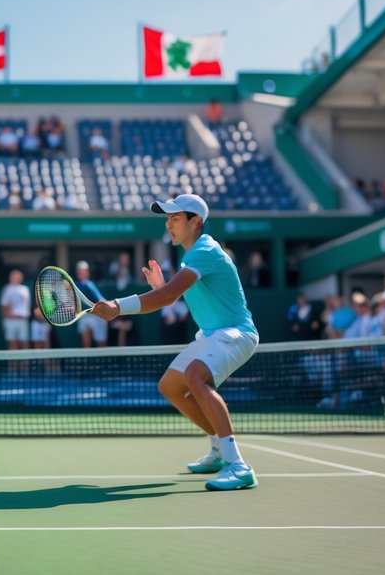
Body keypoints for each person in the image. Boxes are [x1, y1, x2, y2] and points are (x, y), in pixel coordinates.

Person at [92, 194, 260, 491]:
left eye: (176, 218)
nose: (169, 224)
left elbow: (168, 297)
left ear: (196, 222)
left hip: (237, 332)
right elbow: (171, 295)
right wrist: (161, 288)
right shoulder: (191, 256)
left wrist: (118, 305)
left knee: (195, 376)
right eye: (167, 218)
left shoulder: (205, 249)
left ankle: (238, 466)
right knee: (170, 386)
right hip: (211, 334)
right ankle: (218, 450)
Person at [73, 261, 107, 347]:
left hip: (96, 316)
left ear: (88, 273)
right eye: (80, 272)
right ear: (77, 274)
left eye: (84, 272)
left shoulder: (89, 285)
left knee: (101, 343)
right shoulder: (75, 285)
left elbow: (101, 299)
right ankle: (86, 359)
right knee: (85, 334)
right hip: (83, 316)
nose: (82, 274)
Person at [0, 269, 31, 350]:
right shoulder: (7, 289)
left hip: (23, 319)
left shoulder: (25, 289)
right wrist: (8, 316)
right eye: (15, 276)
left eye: (19, 276)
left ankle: (24, 362)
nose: (17, 278)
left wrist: (26, 317)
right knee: (12, 343)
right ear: (11, 277)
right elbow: (4, 305)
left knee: (24, 343)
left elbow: (27, 304)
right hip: (11, 320)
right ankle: (13, 363)